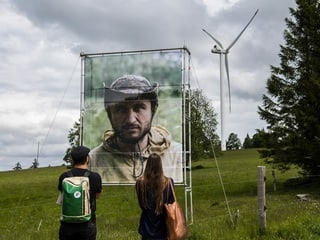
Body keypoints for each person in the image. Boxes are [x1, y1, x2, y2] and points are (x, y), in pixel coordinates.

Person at [90, 74, 183, 184]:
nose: (131, 120)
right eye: (120, 109)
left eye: (139, 107)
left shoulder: (178, 155)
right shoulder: (92, 161)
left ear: (152, 110)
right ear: (109, 113)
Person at [58, 146, 102, 240]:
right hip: (87, 223)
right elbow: (97, 196)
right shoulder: (95, 177)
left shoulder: (64, 177)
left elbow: (62, 197)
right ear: (87, 158)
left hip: (67, 224)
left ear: (72, 160)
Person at [135, 153, 175, 240]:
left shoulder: (140, 183)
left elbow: (141, 204)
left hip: (146, 225)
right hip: (163, 226)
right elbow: (171, 203)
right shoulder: (168, 182)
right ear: (160, 165)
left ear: (147, 165)